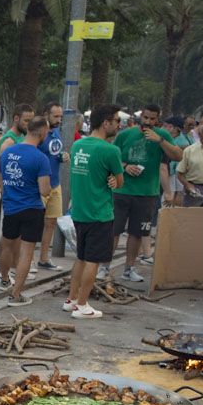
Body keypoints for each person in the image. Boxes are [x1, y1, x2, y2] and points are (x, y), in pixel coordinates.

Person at [108, 103, 182, 283]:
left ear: (158, 120)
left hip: (147, 193)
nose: (147, 122)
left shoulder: (162, 135)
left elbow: (178, 156)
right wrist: (126, 166)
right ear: (141, 116)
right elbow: (112, 157)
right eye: (145, 118)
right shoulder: (126, 134)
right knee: (113, 230)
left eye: (152, 119)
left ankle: (129, 268)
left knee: (138, 232)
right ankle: (104, 267)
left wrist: (160, 141)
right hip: (122, 190)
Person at [63, 104, 124, 320]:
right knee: (92, 261)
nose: (119, 124)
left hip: (79, 211)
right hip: (99, 212)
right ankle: (82, 305)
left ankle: (71, 300)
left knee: (81, 257)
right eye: (116, 121)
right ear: (106, 123)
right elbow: (120, 181)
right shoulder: (110, 150)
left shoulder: (78, 145)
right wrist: (112, 179)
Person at [0, 116, 51, 307]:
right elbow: (45, 190)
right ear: (43, 132)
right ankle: (16, 294)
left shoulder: (7, 152)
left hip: (11, 207)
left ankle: (4, 279)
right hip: (31, 209)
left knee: (6, 245)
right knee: (26, 252)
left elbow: (1, 178)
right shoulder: (40, 158)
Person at [36, 102, 68, 270]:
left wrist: (62, 156)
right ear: (46, 114)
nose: (59, 119)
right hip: (40, 184)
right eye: (55, 116)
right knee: (34, 222)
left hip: (55, 183)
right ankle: (23, 259)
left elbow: (54, 153)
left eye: (60, 116)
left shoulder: (56, 132)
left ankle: (43, 258)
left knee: (51, 222)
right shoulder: (40, 133)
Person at [162, 116, 192, 207]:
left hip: (176, 171)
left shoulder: (184, 140)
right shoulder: (166, 137)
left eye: (168, 126)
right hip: (168, 171)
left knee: (174, 193)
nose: (165, 128)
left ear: (176, 128)